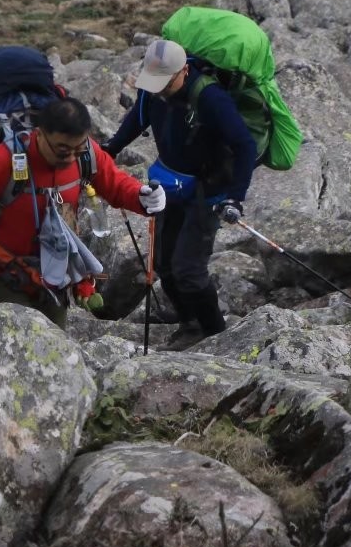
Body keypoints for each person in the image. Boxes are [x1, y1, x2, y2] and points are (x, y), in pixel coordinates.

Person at [0, 97, 164, 329]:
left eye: (78, 148)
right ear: (40, 134)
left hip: (55, 280)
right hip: (3, 276)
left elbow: (115, 184)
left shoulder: (86, 154)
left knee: (53, 346)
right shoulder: (3, 161)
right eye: (62, 151)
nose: (71, 157)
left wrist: (140, 197)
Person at [102, 38, 257, 348]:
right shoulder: (153, 89)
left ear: (185, 71)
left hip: (208, 190)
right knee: (162, 262)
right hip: (171, 182)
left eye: (165, 82)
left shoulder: (210, 97)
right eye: (154, 81)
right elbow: (139, 116)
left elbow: (245, 145)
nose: (158, 89)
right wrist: (112, 148)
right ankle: (189, 323)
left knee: (188, 268)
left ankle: (215, 332)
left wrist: (235, 197)